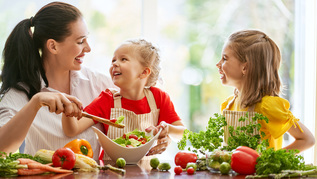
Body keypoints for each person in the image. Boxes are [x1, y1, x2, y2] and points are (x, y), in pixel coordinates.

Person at [0, 2, 116, 161]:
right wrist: (35, 103)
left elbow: (137, 105)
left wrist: (158, 134)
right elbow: (2, 148)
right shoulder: (21, 93)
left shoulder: (98, 83)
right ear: (53, 46)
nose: (88, 48)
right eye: (80, 41)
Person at [62, 39, 186, 159]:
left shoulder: (159, 97)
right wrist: (67, 109)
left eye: (123, 59)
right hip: (112, 171)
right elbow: (72, 130)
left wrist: (167, 129)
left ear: (144, 72)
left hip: (147, 172)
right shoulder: (107, 99)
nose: (114, 63)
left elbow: (182, 133)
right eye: (113, 60)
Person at [216, 29, 315, 152]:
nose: (218, 64)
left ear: (245, 67)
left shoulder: (267, 106)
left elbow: (307, 139)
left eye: (225, 58)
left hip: (260, 172)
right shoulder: (229, 104)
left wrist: (272, 160)